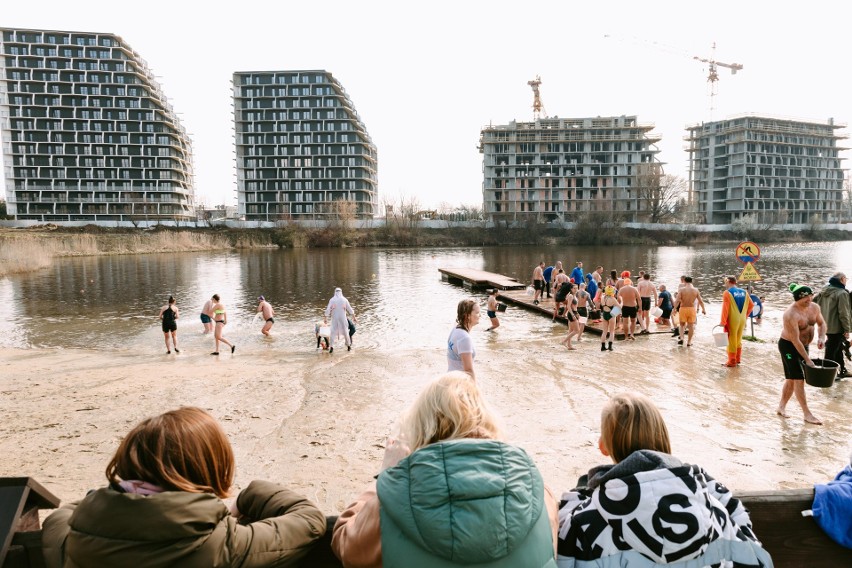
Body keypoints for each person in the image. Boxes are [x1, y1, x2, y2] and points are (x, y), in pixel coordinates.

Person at [41, 406, 326, 567]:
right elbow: (309, 519)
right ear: (207, 469)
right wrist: (248, 496)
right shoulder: (223, 545)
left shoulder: (76, 539)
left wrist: (105, 500)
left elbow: (58, 517)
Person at [331, 372, 558, 568]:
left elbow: (346, 546)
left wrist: (386, 475)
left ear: (421, 426)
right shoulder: (538, 492)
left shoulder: (392, 500)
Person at [556, 392, 771, 567]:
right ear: (663, 436)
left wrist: (581, 492)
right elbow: (754, 554)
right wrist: (711, 486)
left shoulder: (585, 520)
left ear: (603, 446)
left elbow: (566, 558)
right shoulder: (711, 507)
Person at [777, 283, 826, 425]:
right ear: (797, 299)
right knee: (798, 378)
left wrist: (822, 337)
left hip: (804, 346)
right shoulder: (790, 314)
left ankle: (781, 407)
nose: (809, 301)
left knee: (792, 378)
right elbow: (795, 340)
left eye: (810, 297)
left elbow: (821, 323)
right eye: (805, 299)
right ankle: (807, 414)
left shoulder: (814, 308)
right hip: (789, 347)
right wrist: (808, 360)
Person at [814, 272, 851, 379]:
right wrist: (847, 329)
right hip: (837, 327)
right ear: (842, 279)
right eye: (846, 279)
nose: (846, 281)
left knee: (838, 348)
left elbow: (813, 302)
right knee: (831, 350)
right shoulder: (842, 293)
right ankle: (825, 375)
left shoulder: (824, 290)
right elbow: (844, 313)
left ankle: (842, 370)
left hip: (825, 325)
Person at [720, 276, 754, 367]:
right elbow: (751, 305)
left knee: (731, 339)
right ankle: (738, 359)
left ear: (728, 281)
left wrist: (722, 322)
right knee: (738, 339)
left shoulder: (727, 293)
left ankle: (731, 361)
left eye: (725, 281)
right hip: (742, 319)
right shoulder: (744, 292)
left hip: (733, 319)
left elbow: (725, 308)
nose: (725, 283)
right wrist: (745, 316)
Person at [447, 299, 479, 380]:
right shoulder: (465, 338)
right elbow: (468, 370)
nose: (480, 315)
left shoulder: (455, 329)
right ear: (467, 316)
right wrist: (474, 389)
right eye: (477, 313)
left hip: (449, 377)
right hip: (459, 383)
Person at [673, 276, 706, 347]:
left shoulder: (681, 290)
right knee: (691, 326)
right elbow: (700, 301)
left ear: (684, 281)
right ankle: (689, 342)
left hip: (683, 308)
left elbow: (677, 300)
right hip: (691, 309)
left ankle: (681, 338)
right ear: (692, 281)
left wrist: (674, 309)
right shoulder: (696, 290)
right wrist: (703, 309)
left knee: (681, 325)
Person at [325, 287, 356, 353]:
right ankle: (348, 346)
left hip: (335, 319)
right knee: (346, 332)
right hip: (343, 319)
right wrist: (354, 317)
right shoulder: (344, 300)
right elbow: (350, 309)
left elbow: (328, 309)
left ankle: (331, 347)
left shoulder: (332, 300)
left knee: (333, 332)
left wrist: (325, 318)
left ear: (335, 292)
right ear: (341, 292)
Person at [599, 286, 621, 352]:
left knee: (604, 331)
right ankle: (610, 347)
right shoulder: (613, 299)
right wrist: (622, 302)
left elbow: (601, 305)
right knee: (611, 332)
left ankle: (603, 347)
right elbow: (619, 307)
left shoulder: (602, 297)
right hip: (611, 315)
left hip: (605, 314)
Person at [560, 283, 581, 351]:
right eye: (574, 288)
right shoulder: (571, 296)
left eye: (576, 288)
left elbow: (575, 306)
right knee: (577, 330)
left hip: (574, 312)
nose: (575, 290)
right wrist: (573, 314)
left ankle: (569, 345)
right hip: (571, 313)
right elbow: (568, 306)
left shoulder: (575, 296)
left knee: (571, 330)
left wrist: (577, 313)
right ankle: (564, 341)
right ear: (571, 289)